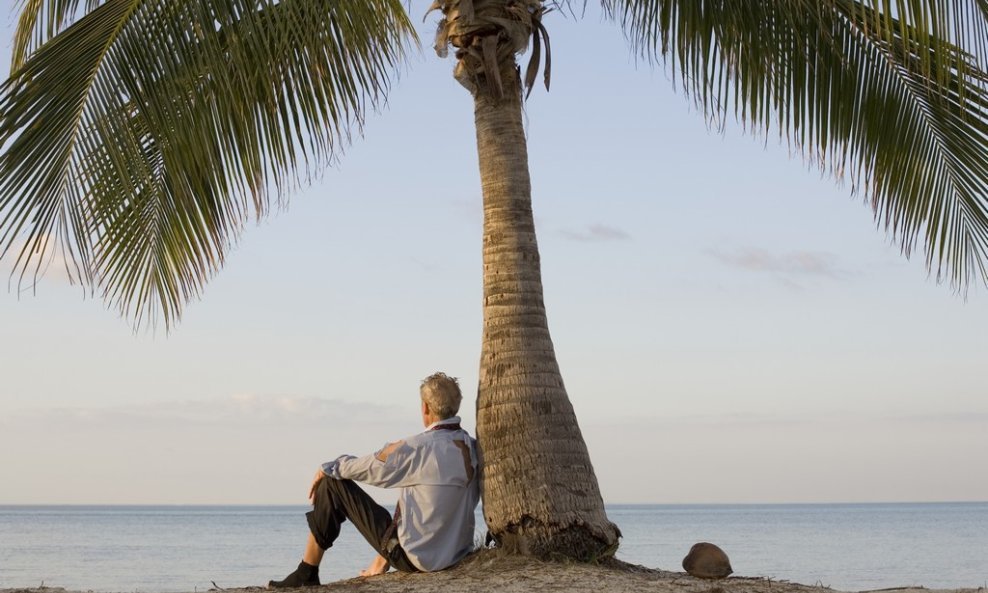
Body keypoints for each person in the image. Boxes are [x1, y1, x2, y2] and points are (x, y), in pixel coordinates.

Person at [268, 372, 480, 588]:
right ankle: (377, 562)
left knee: (331, 482)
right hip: (456, 555)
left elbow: (372, 468)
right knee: (415, 492)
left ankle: (307, 572)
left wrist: (331, 466)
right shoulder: (474, 449)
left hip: (417, 560)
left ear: (425, 408)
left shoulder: (417, 448)